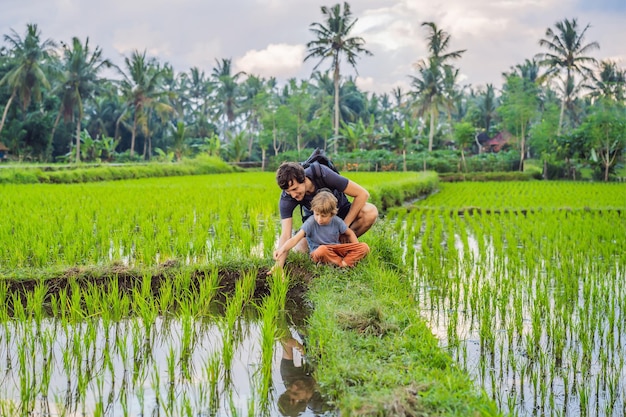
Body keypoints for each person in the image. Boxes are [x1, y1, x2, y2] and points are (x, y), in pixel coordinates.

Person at [273, 161, 377, 270]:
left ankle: (341, 253)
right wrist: (278, 266)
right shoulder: (288, 198)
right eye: (288, 192)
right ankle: (336, 259)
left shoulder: (323, 174)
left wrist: (343, 227)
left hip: (340, 216)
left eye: (295, 189)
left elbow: (362, 194)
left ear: (303, 179)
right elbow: (286, 235)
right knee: (301, 251)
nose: (293, 195)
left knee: (370, 212)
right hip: (316, 226)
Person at [273, 190, 370, 269]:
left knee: (364, 247)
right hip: (318, 253)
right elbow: (295, 239)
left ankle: (342, 263)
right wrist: (282, 249)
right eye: (316, 214)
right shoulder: (311, 222)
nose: (319, 219)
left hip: (335, 249)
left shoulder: (336, 221)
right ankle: (342, 264)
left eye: (323, 216)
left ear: (332, 214)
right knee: (322, 250)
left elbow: (350, 233)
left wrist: (355, 247)